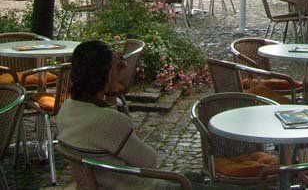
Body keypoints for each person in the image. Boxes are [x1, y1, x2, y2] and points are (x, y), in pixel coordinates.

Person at [57, 40, 241, 189]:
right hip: (142, 186)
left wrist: (112, 86)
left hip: (106, 183)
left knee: (195, 176)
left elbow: (105, 127)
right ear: (104, 75)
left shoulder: (67, 110)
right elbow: (149, 161)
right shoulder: (108, 121)